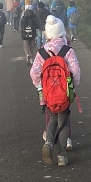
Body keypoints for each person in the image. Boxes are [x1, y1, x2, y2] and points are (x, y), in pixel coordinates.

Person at [30, 15, 81, 166]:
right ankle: (61, 156)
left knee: (52, 119)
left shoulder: (42, 52)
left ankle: (48, 143)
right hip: (64, 93)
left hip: (49, 94)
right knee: (63, 122)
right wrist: (72, 88)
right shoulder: (67, 51)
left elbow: (33, 73)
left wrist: (41, 87)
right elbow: (76, 71)